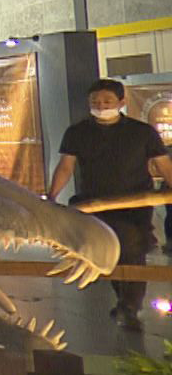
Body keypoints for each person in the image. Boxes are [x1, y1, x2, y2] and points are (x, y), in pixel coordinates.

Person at [47, 78, 172, 333]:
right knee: (110, 252)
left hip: (135, 204)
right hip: (93, 204)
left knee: (132, 250)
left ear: (121, 102)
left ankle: (130, 306)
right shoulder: (77, 133)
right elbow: (66, 167)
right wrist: (51, 196)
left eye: (107, 101)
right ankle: (125, 303)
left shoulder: (142, 132)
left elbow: (163, 164)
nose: (101, 106)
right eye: (95, 102)